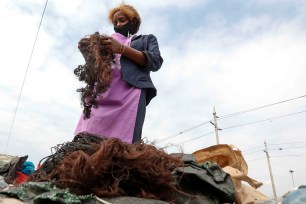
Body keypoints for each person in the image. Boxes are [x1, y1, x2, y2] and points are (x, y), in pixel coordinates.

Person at [74, 3, 163, 144]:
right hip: (101, 95)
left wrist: (121, 48)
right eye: (115, 22)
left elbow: (155, 61)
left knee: (123, 144)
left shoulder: (146, 39)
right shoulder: (106, 43)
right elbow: (95, 69)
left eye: (122, 20)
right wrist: (88, 53)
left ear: (133, 22)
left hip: (130, 94)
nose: (118, 24)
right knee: (88, 141)